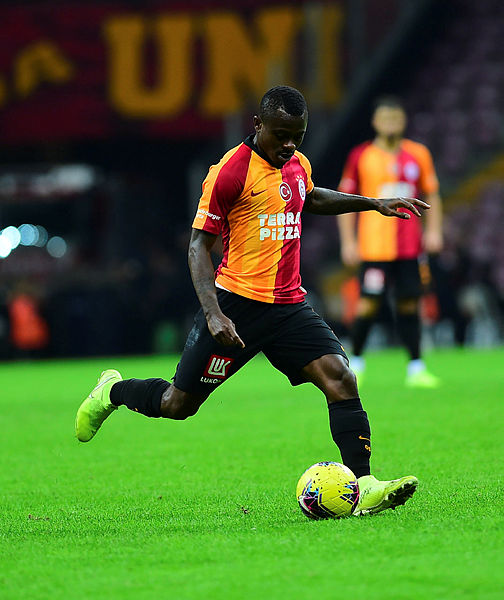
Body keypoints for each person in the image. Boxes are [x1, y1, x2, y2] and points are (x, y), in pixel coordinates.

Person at [76, 86, 429, 516]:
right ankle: (112, 391)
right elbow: (197, 246)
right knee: (177, 404)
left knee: (341, 377)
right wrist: (213, 314)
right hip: (236, 308)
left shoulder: (297, 163)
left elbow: (310, 196)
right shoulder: (230, 171)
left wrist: (372, 203)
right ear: (258, 124)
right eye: (281, 135)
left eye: (297, 136)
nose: (290, 145)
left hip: (289, 307)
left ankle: (366, 484)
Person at [337, 96, 443, 388]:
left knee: (409, 304)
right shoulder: (361, 156)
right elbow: (345, 199)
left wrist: (434, 231)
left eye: (396, 118)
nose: (391, 124)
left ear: (403, 121)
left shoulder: (418, 154)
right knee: (367, 304)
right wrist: (348, 242)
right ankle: (356, 363)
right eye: (386, 118)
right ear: (375, 122)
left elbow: (432, 193)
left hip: (410, 247)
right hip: (374, 247)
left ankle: (416, 368)